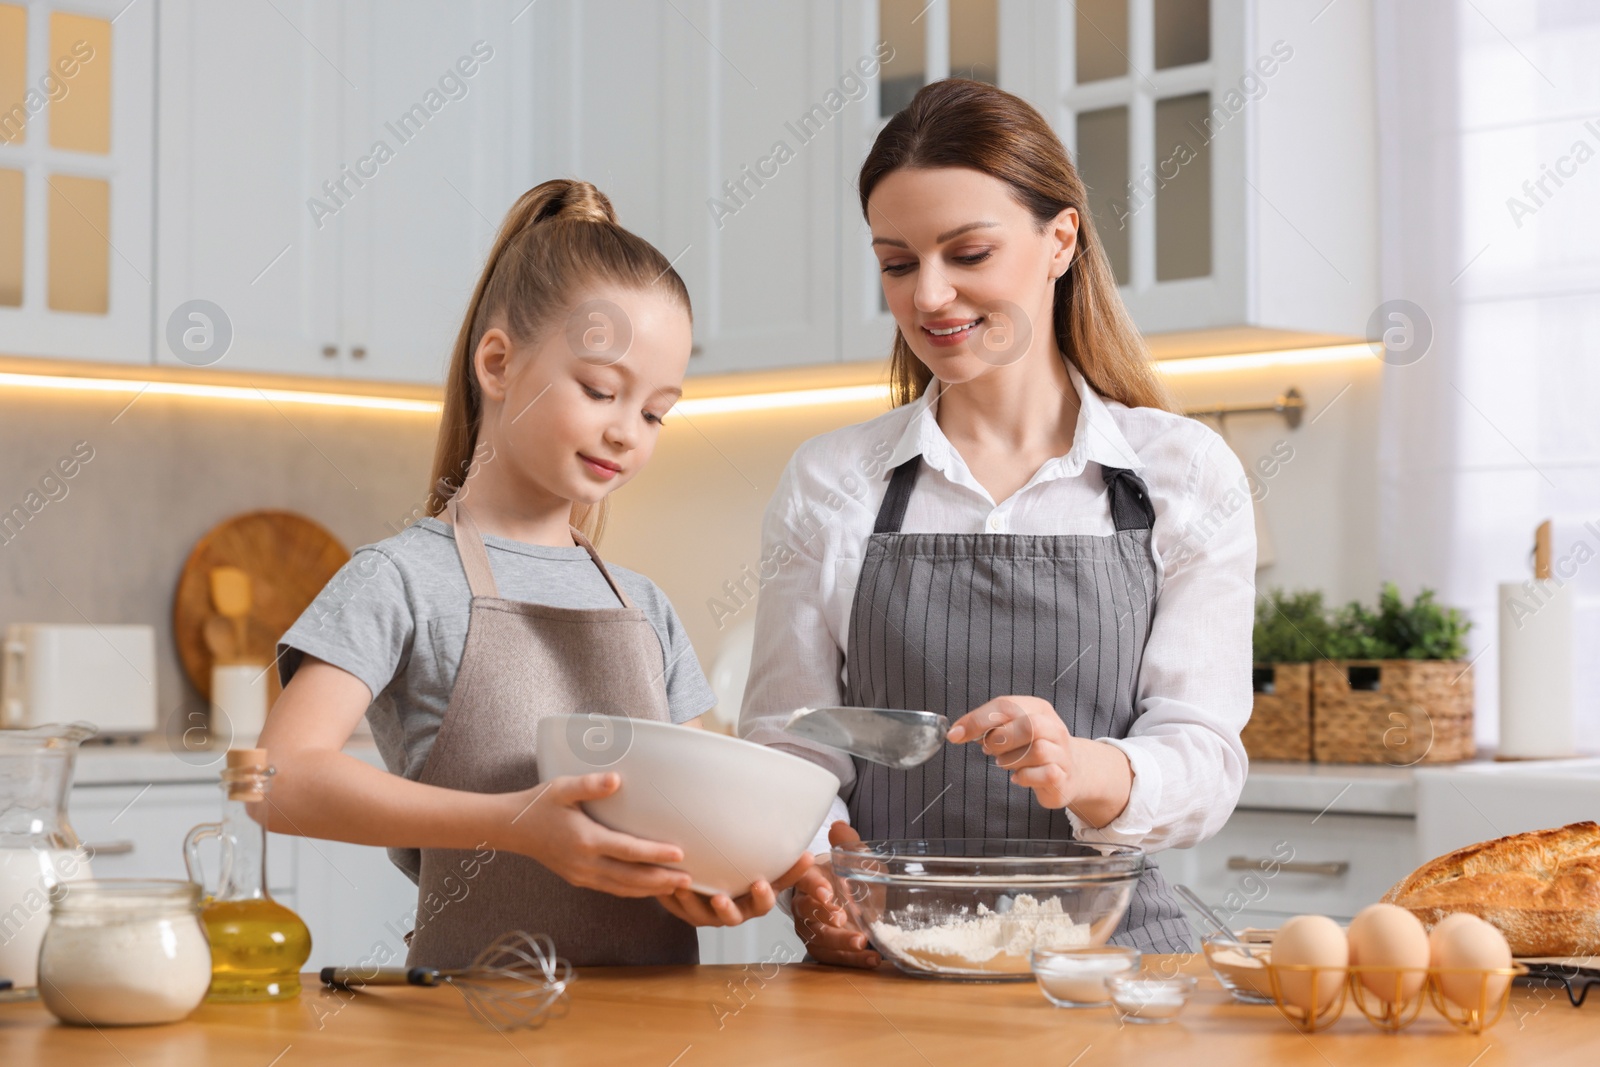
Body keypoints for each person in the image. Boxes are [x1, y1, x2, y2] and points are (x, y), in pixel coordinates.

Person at [739, 80, 1255, 965]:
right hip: (890, 955)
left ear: (1061, 240)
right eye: (897, 263)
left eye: (967, 251)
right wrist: (820, 872)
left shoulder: (1182, 472)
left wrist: (1085, 769)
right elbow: (790, 743)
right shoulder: (830, 482)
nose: (930, 296)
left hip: (1112, 961)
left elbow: (1204, 752)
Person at [258, 179, 808, 968]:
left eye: (655, 412)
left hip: (657, 1025)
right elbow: (278, 779)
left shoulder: (644, 607)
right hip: (474, 1020)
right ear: (498, 361)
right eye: (600, 390)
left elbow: (697, 817)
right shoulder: (403, 579)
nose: (627, 433)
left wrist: (707, 880)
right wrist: (515, 821)